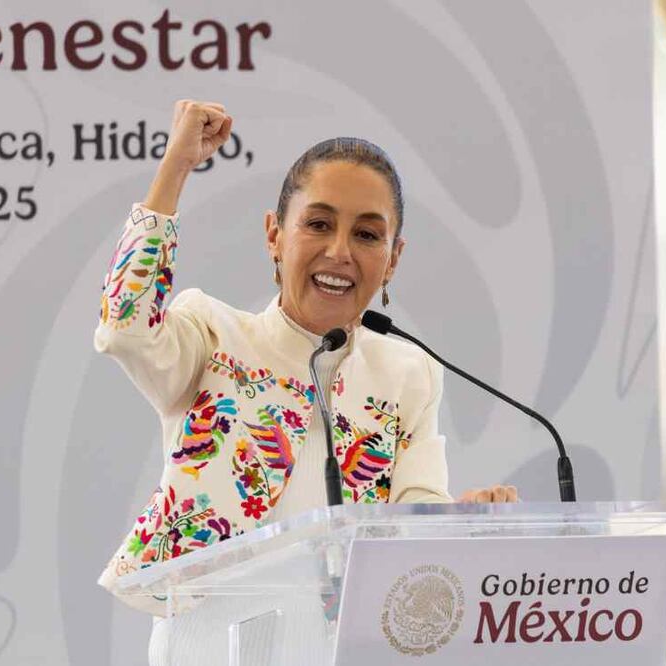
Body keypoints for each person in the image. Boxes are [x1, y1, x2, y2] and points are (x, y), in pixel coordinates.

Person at [93, 100, 517, 660]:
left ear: (392, 260)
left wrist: (459, 520)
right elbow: (125, 326)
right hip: (211, 643)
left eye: (368, 235)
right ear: (275, 235)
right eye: (318, 224)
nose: (339, 251)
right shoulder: (213, 334)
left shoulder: (407, 372)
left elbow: (415, 518)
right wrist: (175, 167)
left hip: (345, 647)